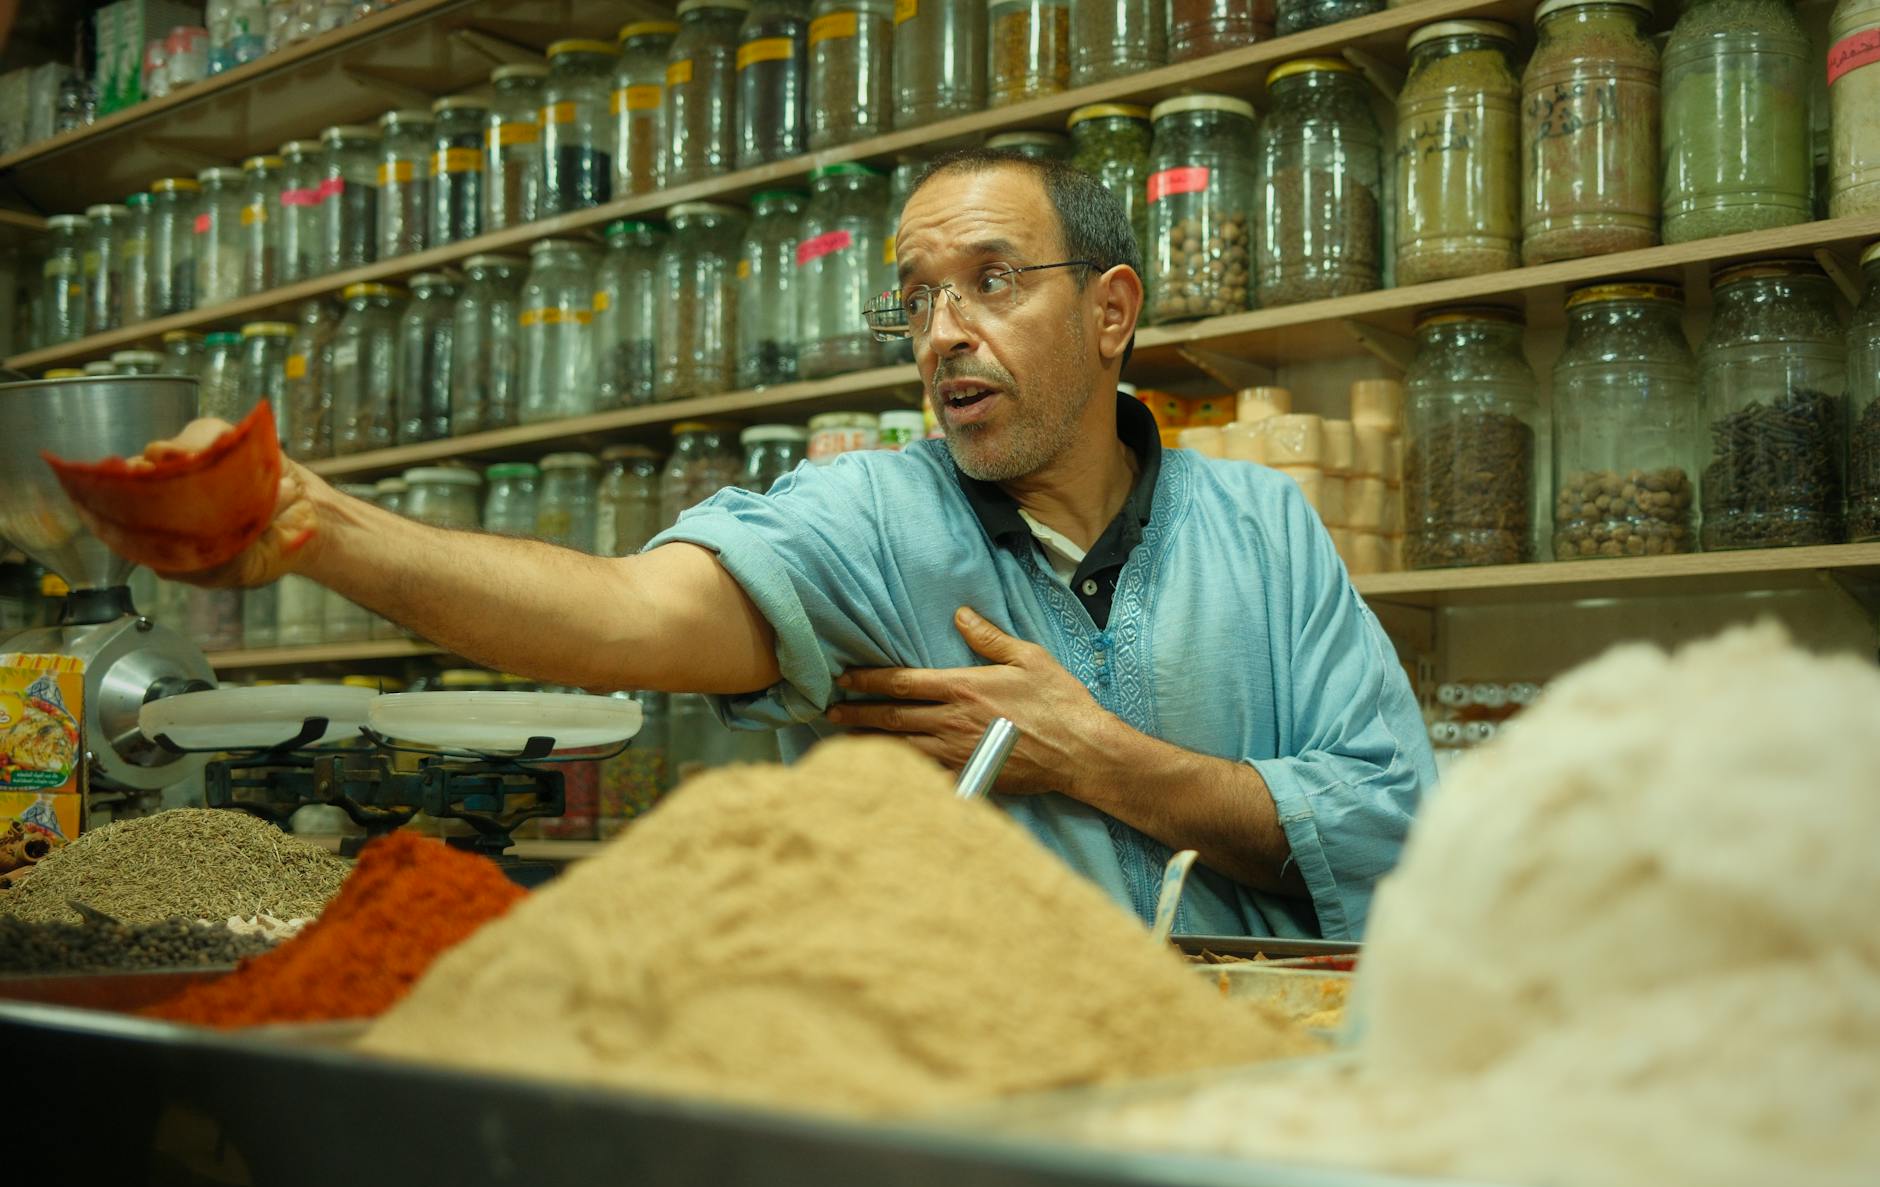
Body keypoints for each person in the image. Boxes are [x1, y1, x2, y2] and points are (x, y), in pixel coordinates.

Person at [112, 150, 1434, 939]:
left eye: (988, 280)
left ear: (1109, 311)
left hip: (1250, 1080)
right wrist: (323, 525)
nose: (940, 333)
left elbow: (1399, 823)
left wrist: (1093, 757)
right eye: (914, 299)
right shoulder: (869, 517)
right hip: (972, 1118)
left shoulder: (1260, 531)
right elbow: (625, 616)